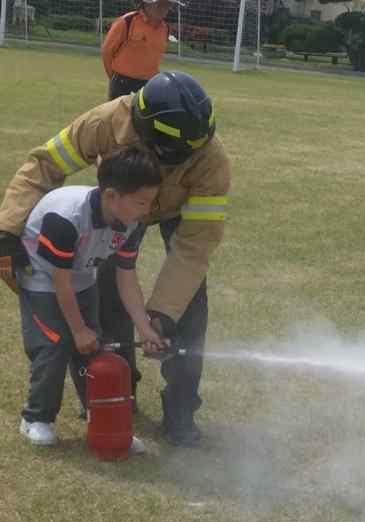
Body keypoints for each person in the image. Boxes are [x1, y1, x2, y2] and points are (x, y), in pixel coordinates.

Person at [0, 70, 231, 447]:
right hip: (120, 208)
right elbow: (45, 164)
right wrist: (8, 227)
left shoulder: (210, 157)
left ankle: (181, 410)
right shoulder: (105, 122)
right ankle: (115, 394)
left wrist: (162, 313)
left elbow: (194, 246)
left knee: (188, 308)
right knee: (106, 300)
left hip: (172, 213)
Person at [16, 148, 164, 449]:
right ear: (111, 196)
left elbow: (126, 278)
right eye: (141, 202)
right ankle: (36, 418)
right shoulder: (66, 217)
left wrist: (146, 328)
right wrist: (78, 329)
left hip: (83, 276)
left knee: (94, 345)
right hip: (42, 279)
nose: (146, 210)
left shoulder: (133, 223)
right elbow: (61, 282)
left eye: (149, 202)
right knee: (55, 343)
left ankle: (99, 414)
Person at [102, 0, 184, 100]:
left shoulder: (165, 28)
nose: (165, 8)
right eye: (161, 4)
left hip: (149, 85)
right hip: (122, 83)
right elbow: (107, 51)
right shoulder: (127, 21)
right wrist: (114, 78)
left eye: (168, 5)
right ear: (147, 4)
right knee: (120, 115)